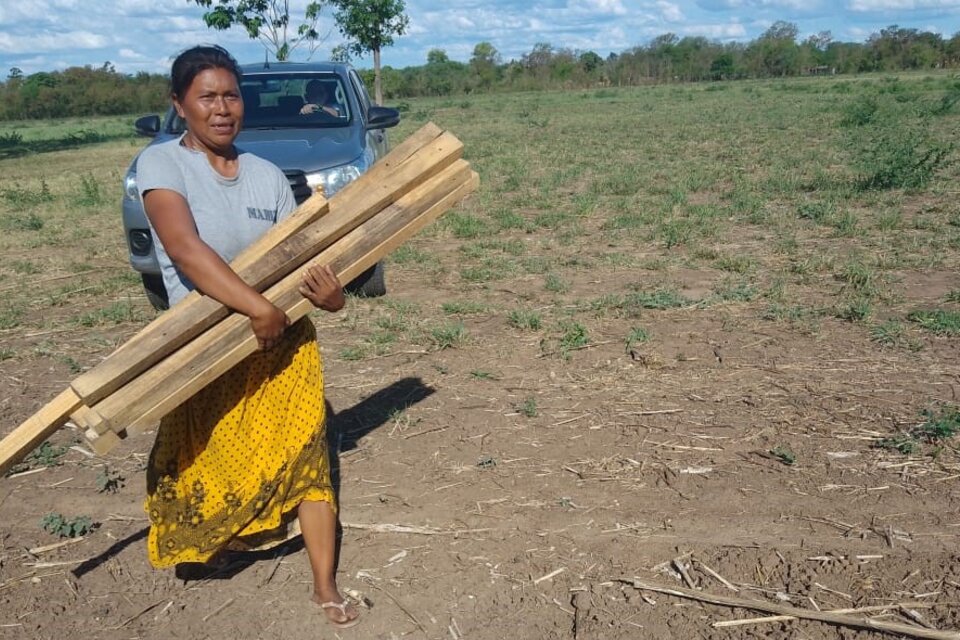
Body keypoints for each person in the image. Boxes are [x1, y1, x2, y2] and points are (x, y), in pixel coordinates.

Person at [136, 45, 359, 629]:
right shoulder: (162, 165)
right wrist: (255, 306)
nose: (221, 108)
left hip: (283, 344)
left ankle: (324, 583)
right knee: (199, 461)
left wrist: (332, 297)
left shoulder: (267, 176)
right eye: (206, 96)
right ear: (179, 105)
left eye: (230, 95)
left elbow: (301, 261)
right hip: (207, 346)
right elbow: (185, 249)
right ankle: (218, 543)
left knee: (309, 458)